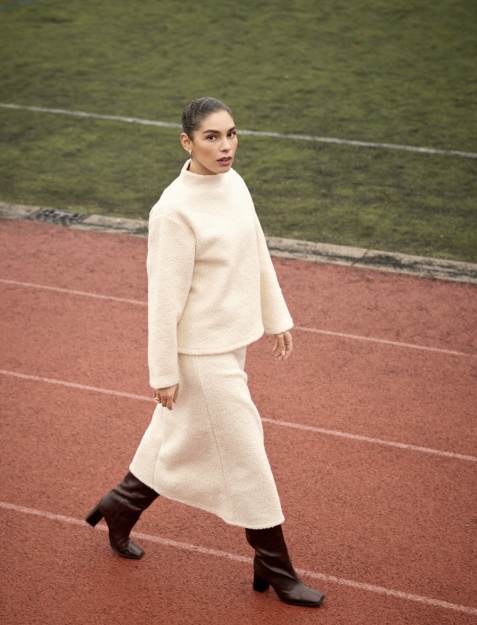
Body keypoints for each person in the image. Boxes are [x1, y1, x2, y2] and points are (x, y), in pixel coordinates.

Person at [85, 97, 324, 608]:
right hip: (198, 356)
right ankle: (275, 566)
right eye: (211, 137)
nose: (225, 146)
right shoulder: (173, 211)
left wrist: (277, 316)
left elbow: (256, 251)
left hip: (232, 344)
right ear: (186, 142)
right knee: (248, 457)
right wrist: (163, 372)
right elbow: (163, 301)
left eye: (231, 134)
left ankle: (121, 504)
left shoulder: (234, 184)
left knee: (172, 437)